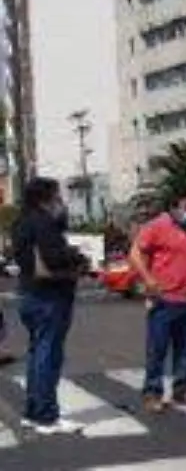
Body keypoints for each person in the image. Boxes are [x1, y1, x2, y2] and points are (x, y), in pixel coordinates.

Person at [12, 177, 88, 434]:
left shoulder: (21, 222)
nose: (61, 201)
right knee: (48, 357)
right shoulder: (44, 223)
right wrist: (78, 257)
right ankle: (46, 416)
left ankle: (33, 412)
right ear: (46, 198)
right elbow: (54, 258)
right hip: (50, 298)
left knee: (36, 355)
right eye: (57, 196)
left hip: (29, 295)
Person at [129, 195, 186, 412]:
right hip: (163, 299)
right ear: (173, 208)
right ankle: (152, 392)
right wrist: (148, 280)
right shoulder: (157, 226)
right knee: (157, 349)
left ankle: (182, 389)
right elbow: (135, 253)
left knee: (185, 349)